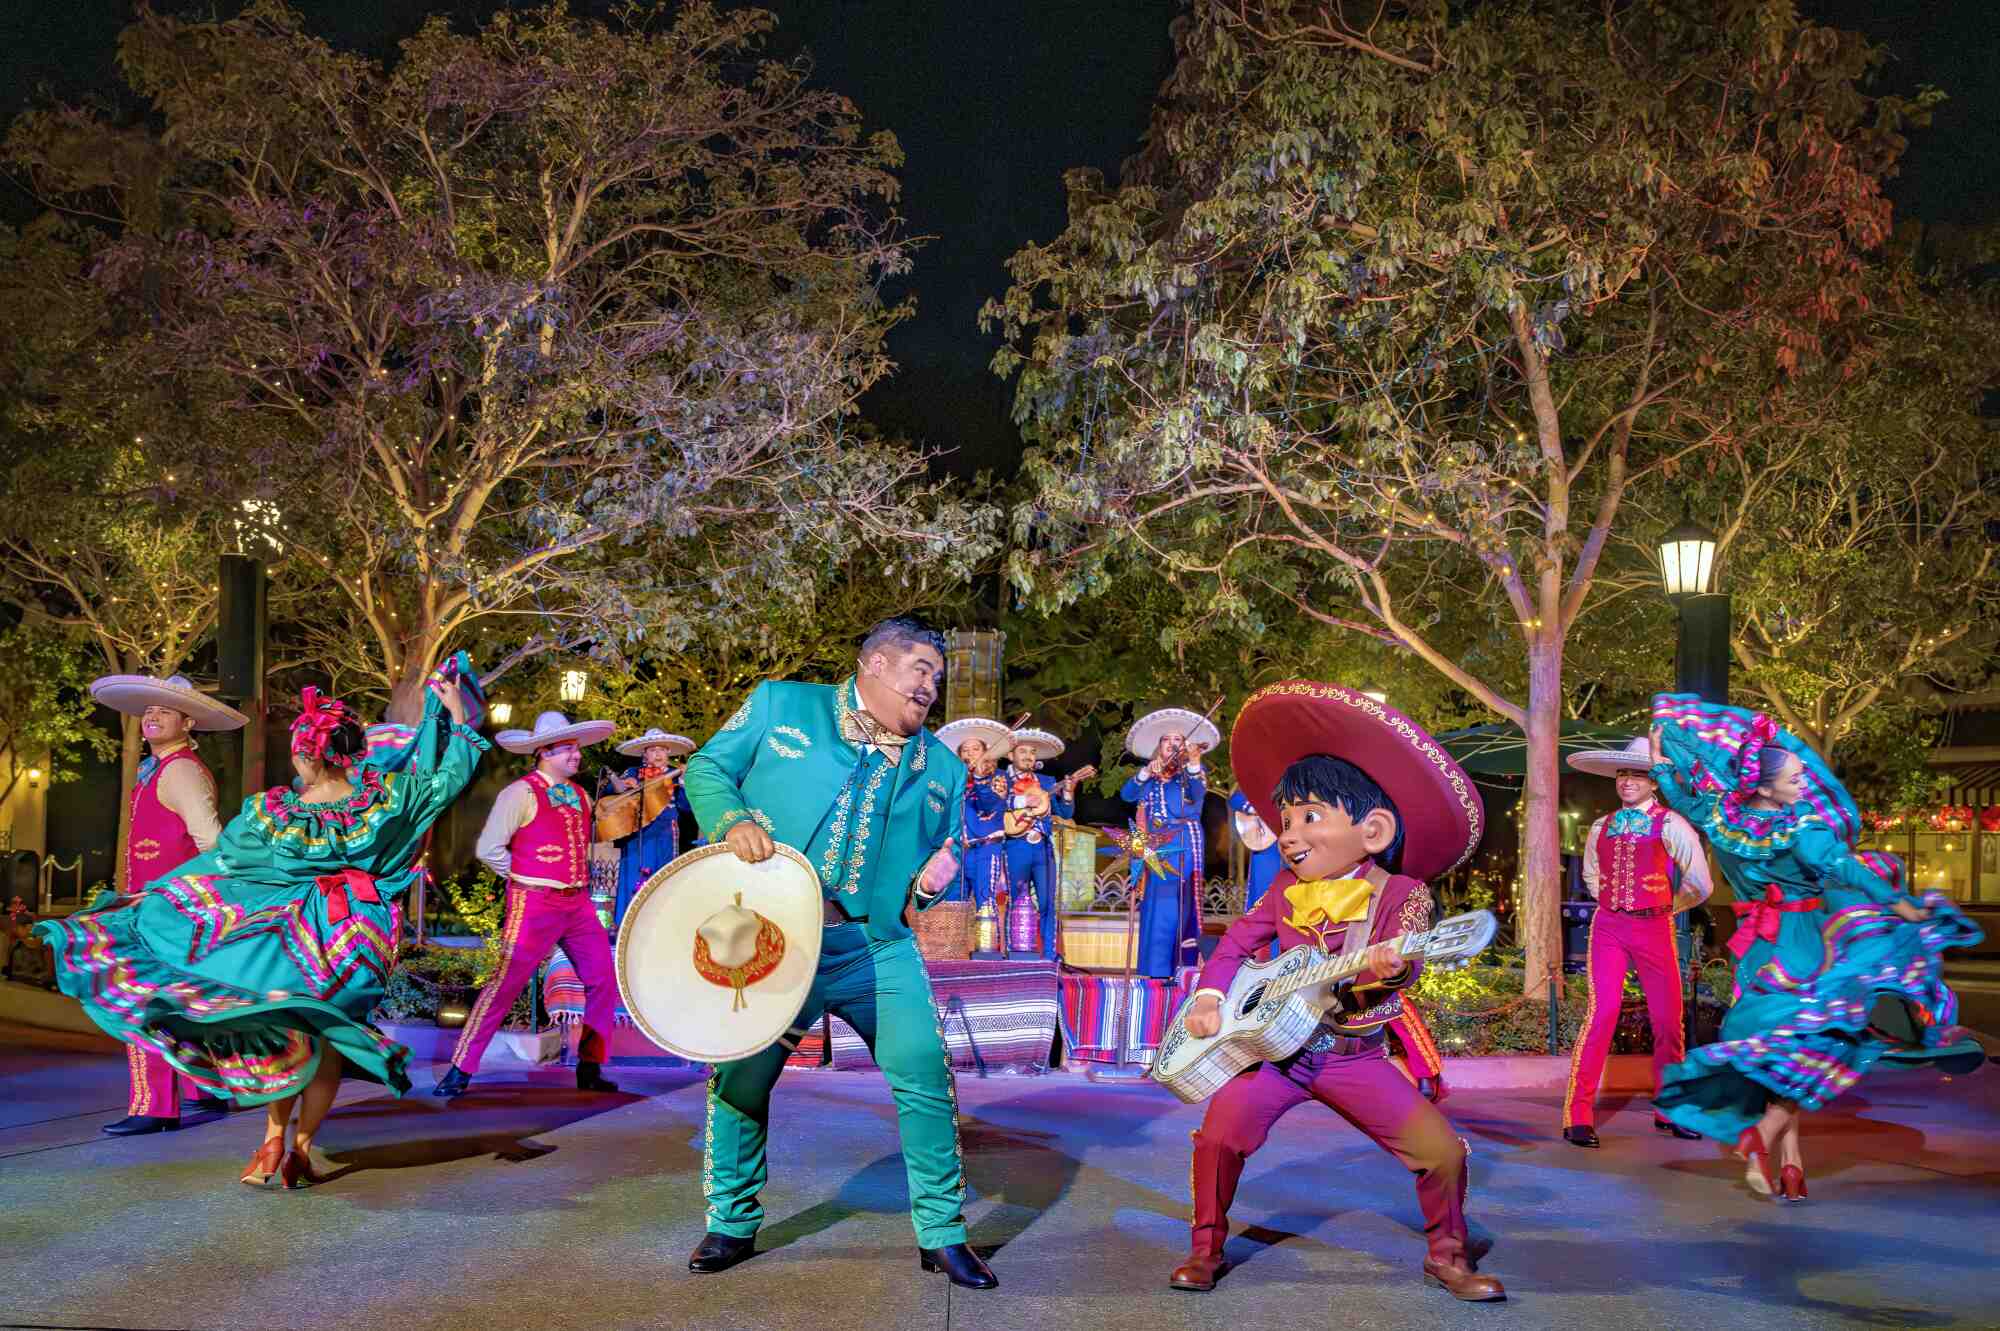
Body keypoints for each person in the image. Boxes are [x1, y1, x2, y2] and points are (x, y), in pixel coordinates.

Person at [37, 657, 489, 1188]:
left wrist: (158, 897)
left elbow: (225, 860)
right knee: (326, 1037)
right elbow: (448, 780)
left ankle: (274, 1139)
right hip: (355, 938)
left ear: (304, 753)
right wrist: (458, 721)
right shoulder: (390, 800)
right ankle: (299, 1147)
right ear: (350, 755)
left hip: (290, 935)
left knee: (287, 1032)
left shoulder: (274, 812)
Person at [679, 617, 996, 1290]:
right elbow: (707, 766)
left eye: (937, 677)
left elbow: (944, 851)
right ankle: (732, 1222)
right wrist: (731, 820)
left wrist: (934, 878)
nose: (930, 687)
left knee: (923, 1072)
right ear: (875, 664)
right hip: (773, 938)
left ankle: (942, 1233)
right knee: (742, 1078)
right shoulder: (780, 703)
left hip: (874, 946)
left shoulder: (941, 766)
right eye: (920, 669)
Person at [1168, 681, 1501, 1302]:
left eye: (1309, 818)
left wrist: (1391, 967)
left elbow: (1401, 974)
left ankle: (1448, 1257)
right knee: (1217, 1137)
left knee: (1442, 1152)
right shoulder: (1280, 890)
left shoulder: (1402, 895)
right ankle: (1204, 1249)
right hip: (1277, 1055)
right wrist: (1210, 998)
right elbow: (1237, 944)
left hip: (1354, 1056)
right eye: (1287, 819)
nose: (1290, 834)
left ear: (1372, 829)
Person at [1648, 693, 1984, 1202]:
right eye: (1795, 779)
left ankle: (1792, 1164)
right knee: (1822, 1042)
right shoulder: (1801, 829)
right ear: (1764, 784)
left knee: (1776, 1051)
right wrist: (1897, 903)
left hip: (1756, 954)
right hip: (1802, 949)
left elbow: (1684, 797)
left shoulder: (1722, 819)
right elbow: (1846, 867)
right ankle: (1759, 1137)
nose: (1804, 784)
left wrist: (1662, 766)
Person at [79, 672, 247, 1136]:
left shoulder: (181, 770)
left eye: (165, 711)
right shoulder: (160, 769)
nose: (152, 716)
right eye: (148, 711)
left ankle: (153, 1105)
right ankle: (203, 1090)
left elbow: (211, 842)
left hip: (166, 912)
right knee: (175, 1003)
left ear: (188, 721)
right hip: (155, 909)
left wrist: (187, 900)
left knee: (139, 1002)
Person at [437, 710, 623, 1099]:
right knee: (505, 984)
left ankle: (590, 1066)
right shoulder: (519, 792)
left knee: (604, 978)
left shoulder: (579, 795)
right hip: (534, 902)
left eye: (576, 748)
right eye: (568, 748)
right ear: (544, 751)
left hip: (577, 903)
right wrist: (525, 876)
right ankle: (461, 1067)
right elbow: (489, 849)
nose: (577, 756)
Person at [1560, 736, 1714, 1146]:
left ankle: (1671, 1109)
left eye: (1638, 774)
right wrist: (1610, 897)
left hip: (1654, 927)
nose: (1628, 781)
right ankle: (1577, 1115)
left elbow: (1700, 882)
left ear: (1655, 782)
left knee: (1667, 1021)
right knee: (1602, 1014)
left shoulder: (1673, 824)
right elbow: (1591, 874)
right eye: (1623, 773)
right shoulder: (1601, 825)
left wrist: (1669, 906)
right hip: (1609, 926)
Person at [1122, 707, 1217, 978]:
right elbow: (1127, 795)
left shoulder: (1190, 776)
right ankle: (1153, 969)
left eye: (1178, 740)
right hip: (1155, 846)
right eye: (1167, 740)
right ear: (1159, 746)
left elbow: (1198, 795)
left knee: (1177, 907)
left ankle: (1178, 968)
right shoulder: (1150, 779)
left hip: (1184, 843)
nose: (1173, 745)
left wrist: (1194, 762)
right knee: (1155, 906)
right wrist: (1143, 773)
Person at [1000, 727, 1093, 961]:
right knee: (1015, 898)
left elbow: (1065, 811)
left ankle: (1050, 955)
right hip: (1015, 846)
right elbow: (993, 805)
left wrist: (1069, 792)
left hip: (1042, 847)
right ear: (1010, 755)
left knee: (1048, 902)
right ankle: (1014, 951)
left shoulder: (1047, 781)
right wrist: (1021, 800)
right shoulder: (1000, 779)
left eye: (1033, 752)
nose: (1029, 756)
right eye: (1023, 751)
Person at [600, 726, 696, 927]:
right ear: (644, 753)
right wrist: (623, 784)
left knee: (663, 878)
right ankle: (626, 925)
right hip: (637, 831)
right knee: (633, 876)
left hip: (667, 833)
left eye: (662, 749)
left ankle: (661, 926)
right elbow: (610, 793)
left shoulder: (675, 773)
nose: (658, 754)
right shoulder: (633, 772)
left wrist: (685, 783)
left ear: (668, 751)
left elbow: (686, 808)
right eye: (653, 750)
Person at [937, 718, 1011, 909]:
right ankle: (954, 940)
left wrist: (979, 778)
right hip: (957, 851)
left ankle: (985, 940)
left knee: (985, 906)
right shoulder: (955, 782)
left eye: (975, 749)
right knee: (953, 906)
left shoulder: (999, 777)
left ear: (986, 752)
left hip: (986, 849)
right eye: (965, 750)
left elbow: (989, 806)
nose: (969, 754)